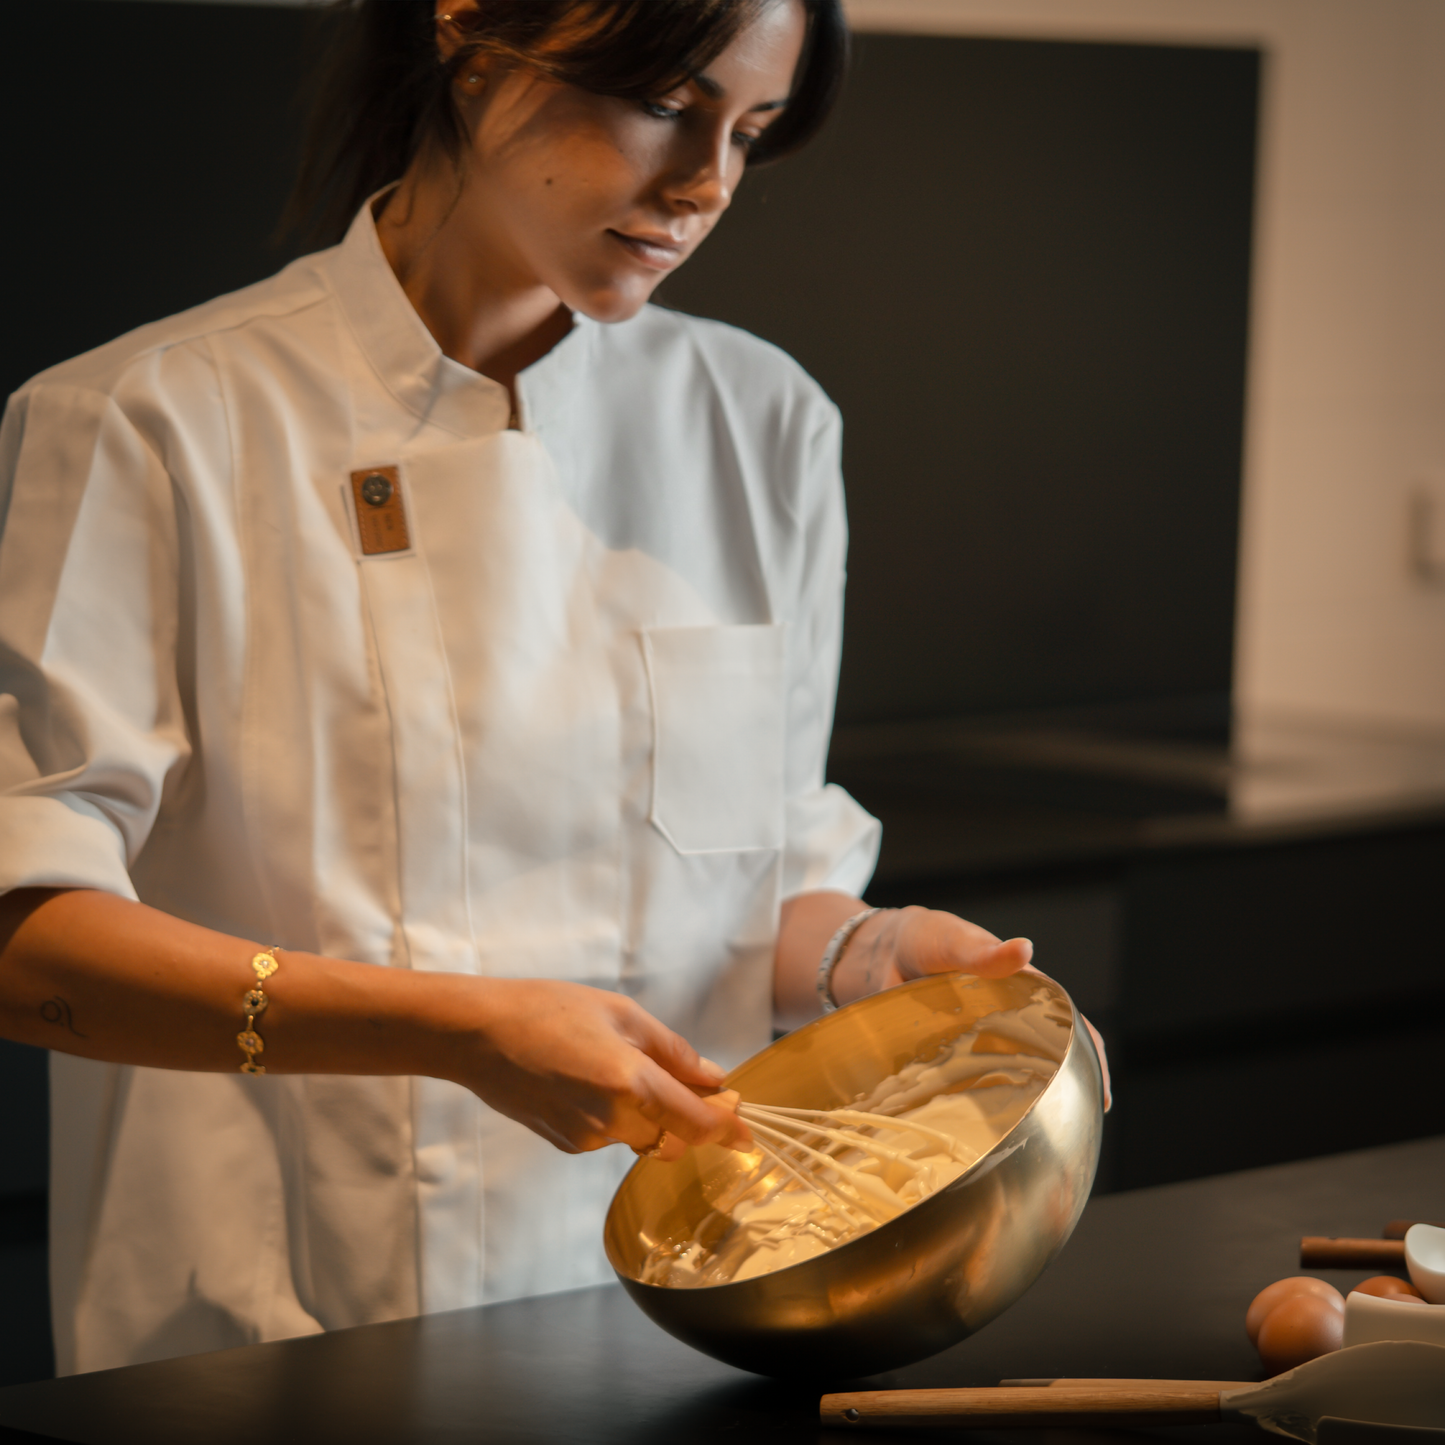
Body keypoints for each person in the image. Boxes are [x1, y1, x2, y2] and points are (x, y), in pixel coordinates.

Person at [0, 0, 1102, 1377]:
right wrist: (462, 1033)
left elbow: (741, 885)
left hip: (684, 1305)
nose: (704, 185)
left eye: (750, 134)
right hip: (270, 1330)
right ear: (472, 32)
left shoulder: (761, 426)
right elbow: (26, 935)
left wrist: (869, 959)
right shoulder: (150, 420)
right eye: (667, 104)